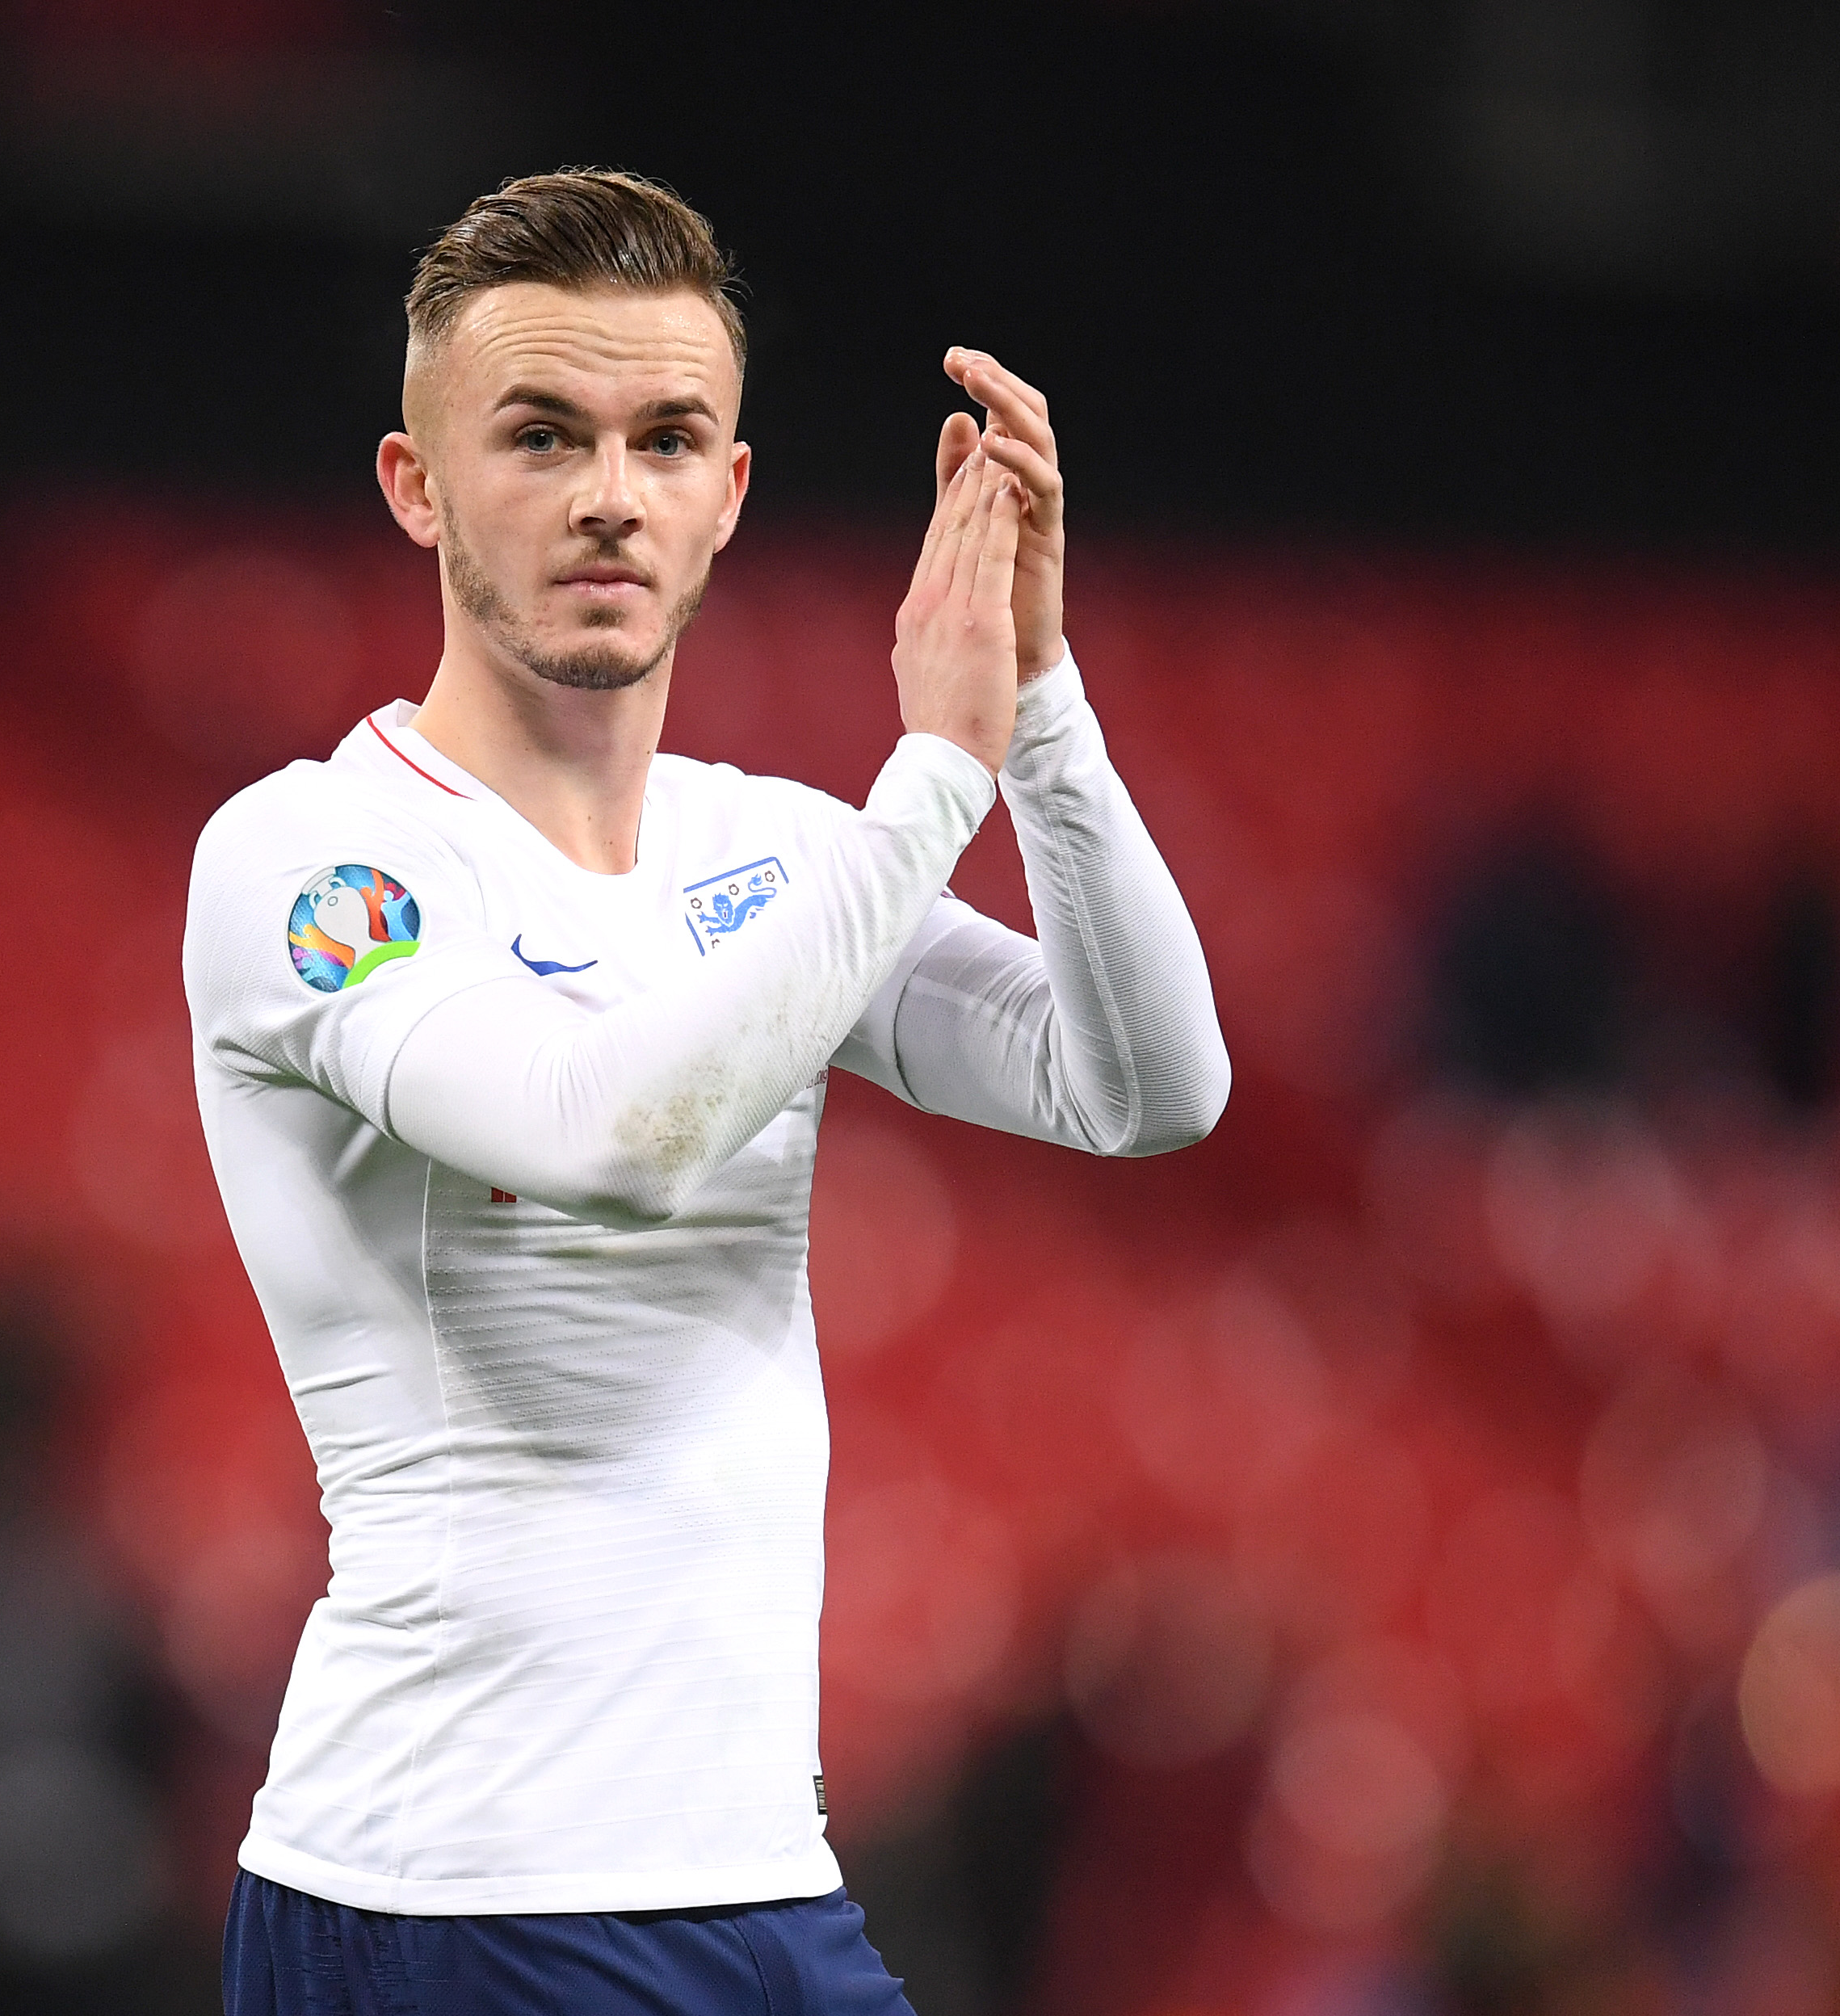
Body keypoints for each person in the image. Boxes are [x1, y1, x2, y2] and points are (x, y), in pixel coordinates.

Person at [184, 168, 1229, 2015]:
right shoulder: (312, 859)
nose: (609, 494)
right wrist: (933, 775)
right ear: (415, 487)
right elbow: (610, 1135)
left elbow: (1142, 1086)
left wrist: (1038, 698)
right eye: (539, 435)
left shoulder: (769, 852)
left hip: (752, 1881)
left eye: (667, 439)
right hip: (453, 1902)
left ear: (727, 494)